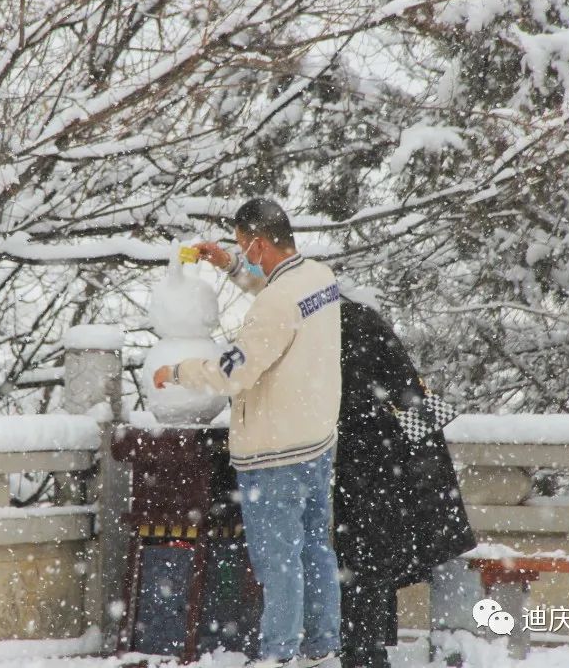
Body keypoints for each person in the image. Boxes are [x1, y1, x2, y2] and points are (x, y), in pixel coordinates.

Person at [153, 198, 342, 668]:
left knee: (278, 561)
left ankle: (277, 655)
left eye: (243, 246)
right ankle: (322, 649)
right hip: (316, 440)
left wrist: (175, 372)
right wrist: (231, 264)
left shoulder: (276, 304)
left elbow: (231, 372)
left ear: (258, 241)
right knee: (315, 550)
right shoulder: (319, 278)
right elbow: (273, 290)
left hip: (274, 452)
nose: (244, 252)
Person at [334, 298, 476, 668]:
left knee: (362, 559)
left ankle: (361, 649)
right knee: (372, 559)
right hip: (393, 469)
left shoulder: (332, 328)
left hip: (368, 465)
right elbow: (415, 404)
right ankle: (367, 649)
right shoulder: (362, 321)